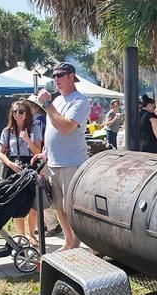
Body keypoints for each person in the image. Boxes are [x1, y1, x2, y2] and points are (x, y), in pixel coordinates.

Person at [33, 61, 90, 251]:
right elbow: (52, 130)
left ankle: (78, 241)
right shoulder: (57, 101)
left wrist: (47, 104)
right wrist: (45, 153)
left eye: (60, 75)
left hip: (72, 163)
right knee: (58, 206)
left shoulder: (80, 101)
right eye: (54, 76)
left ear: (71, 76)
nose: (55, 79)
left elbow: (65, 127)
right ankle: (69, 241)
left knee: (70, 207)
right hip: (53, 163)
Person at [0, 100, 41, 246]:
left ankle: (32, 234)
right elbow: (1, 153)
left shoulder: (34, 128)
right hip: (13, 167)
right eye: (15, 112)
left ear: (27, 113)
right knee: (16, 203)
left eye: (21, 111)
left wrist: (27, 139)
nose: (17, 114)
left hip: (30, 165)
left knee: (32, 203)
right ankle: (20, 235)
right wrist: (10, 163)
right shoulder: (7, 131)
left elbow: (38, 152)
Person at [26, 94, 62, 238]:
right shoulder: (42, 119)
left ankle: (51, 223)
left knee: (41, 193)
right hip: (44, 159)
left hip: (41, 160)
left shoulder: (39, 121)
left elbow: (40, 144)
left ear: (34, 107)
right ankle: (47, 224)